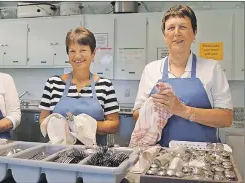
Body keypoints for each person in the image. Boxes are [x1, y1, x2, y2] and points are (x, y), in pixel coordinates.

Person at [133, 5, 233, 147]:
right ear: (164, 36)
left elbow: (226, 118)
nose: (177, 33)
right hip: (159, 157)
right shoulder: (151, 70)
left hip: (201, 155)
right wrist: (152, 109)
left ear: (194, 33)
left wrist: (184, 110)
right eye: (171, 28)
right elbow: (136, 114)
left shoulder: (212, 69)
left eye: (183, 27)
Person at [38, 26, 120, 146]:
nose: (77, 56)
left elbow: (114, 125)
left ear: (93, 53)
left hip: (94, 157)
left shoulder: (105, 85)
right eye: (72, 51)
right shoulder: (53, 83)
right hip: (59, 155)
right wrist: (62, 127)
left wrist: (84, 126)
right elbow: (43, 120)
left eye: (83, 50)